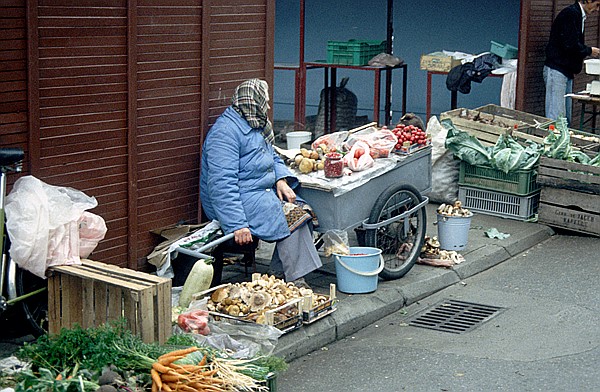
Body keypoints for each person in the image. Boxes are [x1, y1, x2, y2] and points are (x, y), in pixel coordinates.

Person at [199, 78, 322, 288]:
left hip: (258, 191)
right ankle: (295, 280)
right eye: (264, 102)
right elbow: (221, 185)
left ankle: (279, 273)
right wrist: (237, 224)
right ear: (251, 102)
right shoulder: (224, 134)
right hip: (238, 199)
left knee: (304, 210)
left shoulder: (255, 123)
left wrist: (281, 179)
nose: (268, 107)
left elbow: (272, 156)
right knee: (294, 218)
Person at [544, 0, 600, 122]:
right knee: (557, 115)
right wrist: (589, 51)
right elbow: (570, 44)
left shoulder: (578, 15)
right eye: (597, 5)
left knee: (565, 116)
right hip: (557, 68)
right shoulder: (570, 14)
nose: (597, 9)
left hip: (565, 69)